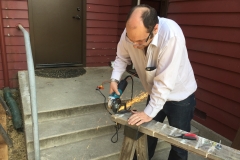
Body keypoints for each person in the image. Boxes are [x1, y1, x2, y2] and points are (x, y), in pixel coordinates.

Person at [109, 4, 197, 160]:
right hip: (154, 91)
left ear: (155, 29)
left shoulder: (171, 35)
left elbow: (164, 83)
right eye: (131, 40)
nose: (134, 45)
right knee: (146, 135)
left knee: (179, 143)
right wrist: (115, 78)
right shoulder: (131, 32)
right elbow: (122, 57)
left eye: (140, 41)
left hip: (180, 97)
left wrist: (148, 112)